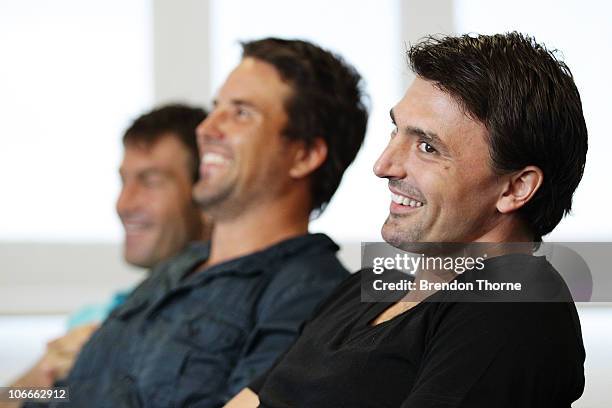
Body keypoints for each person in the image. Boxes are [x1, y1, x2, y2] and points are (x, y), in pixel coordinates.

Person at [227, 32, 587, 407]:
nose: (384, 166)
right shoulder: (364, 288)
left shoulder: (515, 306)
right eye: (395, 131)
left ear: (515, 188)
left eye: (428, 147)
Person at [20, 38, 368, 408]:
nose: (206, 127)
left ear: (304, 155)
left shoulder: (308, 298)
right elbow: (63, 394)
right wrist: (25, 384)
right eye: (216, 107)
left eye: (241, 113)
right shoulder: (175, 270)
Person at [6, 104, 211, 396]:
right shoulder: (96, 319)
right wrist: (40, 378)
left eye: (150, 181)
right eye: (124, 181)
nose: (124, 204)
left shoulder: (217, 313)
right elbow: (14, 398)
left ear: (205, 192)